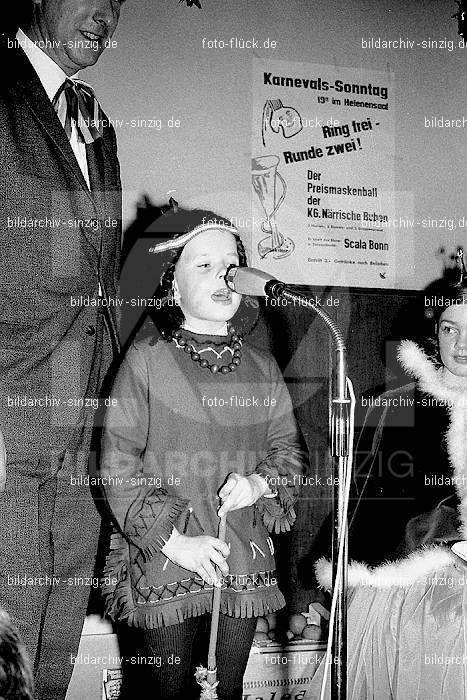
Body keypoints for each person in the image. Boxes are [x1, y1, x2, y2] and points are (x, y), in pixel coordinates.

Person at [100, 208, 307, 699]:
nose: (224, 277)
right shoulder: (147, 360)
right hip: (166, 557)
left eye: (231, 264)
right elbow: (117, 462)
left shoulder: (262, 365)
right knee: (164, 690)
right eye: (204, 266)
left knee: (226, 688)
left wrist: (260, 484)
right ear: (171, 285)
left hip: (242, 556)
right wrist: (174, 543)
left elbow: (288, 450)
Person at [0, 1, 123, 698]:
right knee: (5, 639)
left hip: (80, 417)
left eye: (120, 0)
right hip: (9, 410)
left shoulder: (93, 119)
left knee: (57, 641)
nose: (106, 11)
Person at [313, 261, 467, 699]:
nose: (461, 343)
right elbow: (370, 495)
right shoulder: (395, 407)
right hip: (413, 583)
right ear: (433, 332)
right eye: (450, 328)